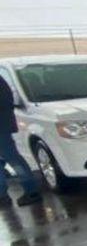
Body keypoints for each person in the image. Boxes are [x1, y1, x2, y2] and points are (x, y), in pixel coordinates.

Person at [0, 75, 42, 207]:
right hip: (3, 126)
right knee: (11, 158)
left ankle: (31, 190)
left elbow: (4, 102)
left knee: (13, 159)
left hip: (1, 127)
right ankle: (3, 195)